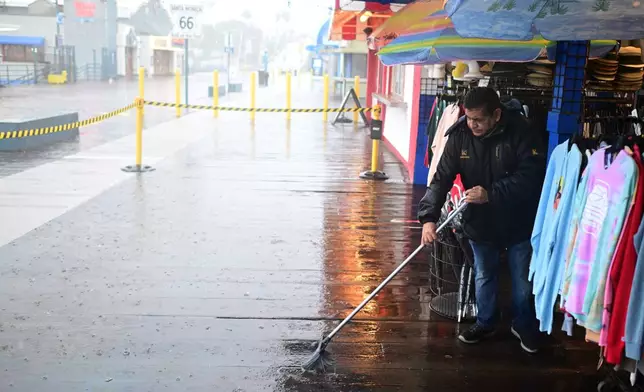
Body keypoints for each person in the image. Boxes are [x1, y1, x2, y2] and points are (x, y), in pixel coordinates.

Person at [418, 87, 546, 353]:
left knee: (522, 279)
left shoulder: (521, 131)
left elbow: (532, 177)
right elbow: (441, 178)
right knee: (484, 274)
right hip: (480, 221)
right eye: (468, 117)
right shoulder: (460, 134)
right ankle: (486, 321)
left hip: (519, 220)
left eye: (478, 119)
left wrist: (492, 193)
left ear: (496, 114)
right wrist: (428, 217)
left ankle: (523, 324)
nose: (471, 124)